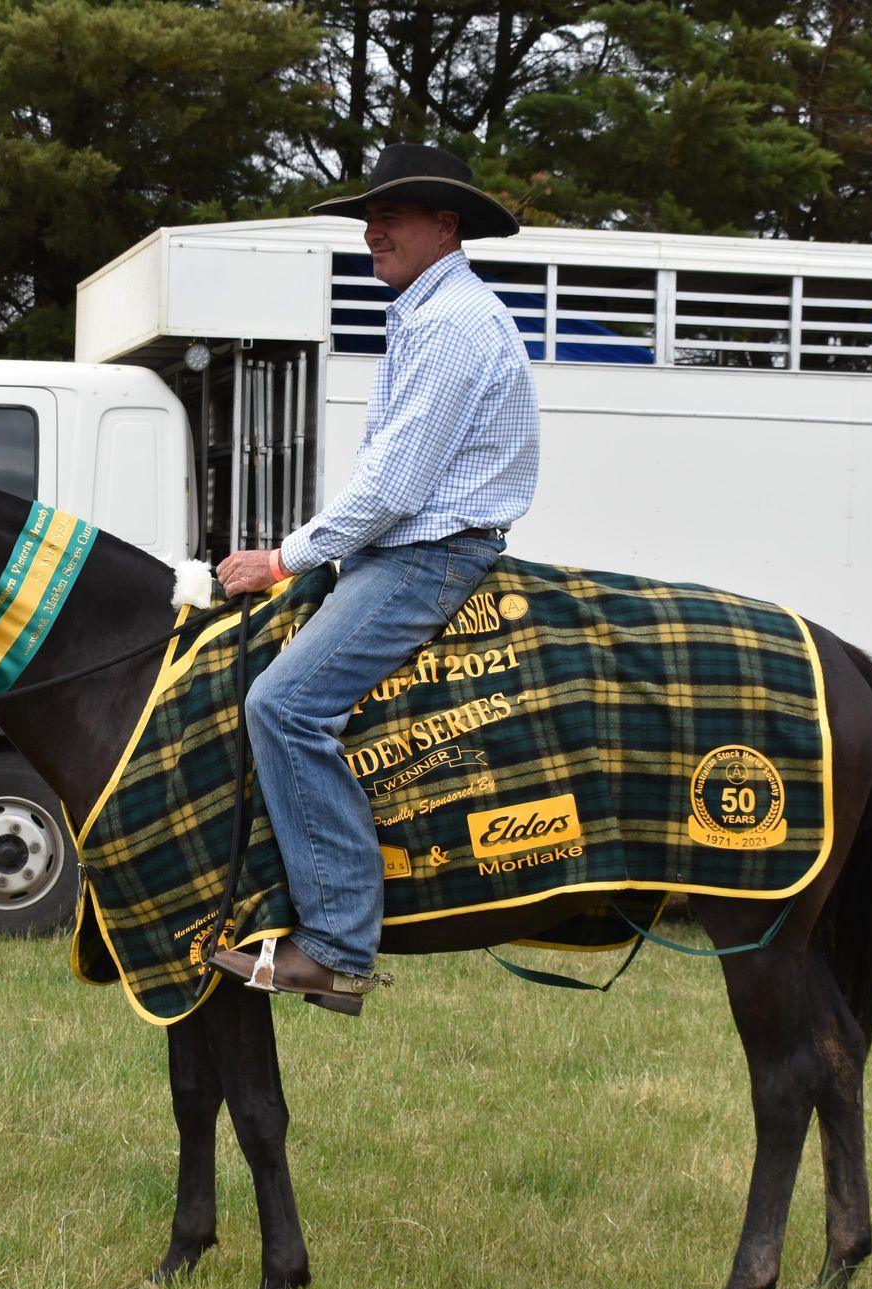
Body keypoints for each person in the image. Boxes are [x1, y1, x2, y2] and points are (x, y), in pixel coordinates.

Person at [207, 144, 540, 1016]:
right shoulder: (431, 312)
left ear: (446, 225)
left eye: (392, 215)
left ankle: (337, 946)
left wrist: (281, 558)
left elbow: (392, 489)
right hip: (404, 551)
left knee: (283, 705)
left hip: (425, 558)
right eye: (369, 216)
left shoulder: (451, 324)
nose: (372, 231)